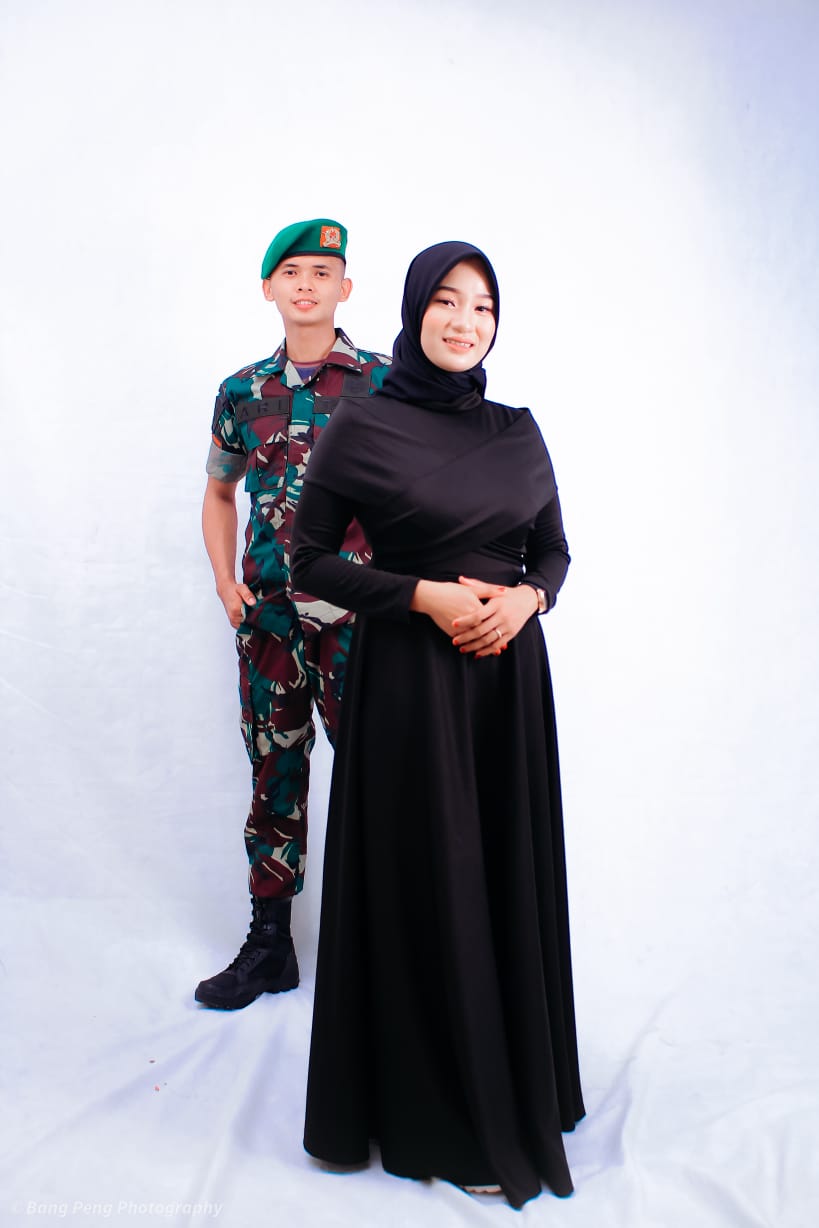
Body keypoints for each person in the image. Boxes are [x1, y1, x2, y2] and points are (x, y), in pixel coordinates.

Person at [291, 241, 585, 1208]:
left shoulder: (518, 430)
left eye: (483, 307)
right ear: (415, 310)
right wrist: (424, 596)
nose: (465, 322)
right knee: (430, 875)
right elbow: (308, 563)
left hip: (506, 687)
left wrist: (526, 601)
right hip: (411, 688)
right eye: (447, 302)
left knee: (497, 867)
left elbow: (553, 550)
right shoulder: (362, 424)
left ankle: (517, 1080)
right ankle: (431, 1108)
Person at [196, 219, 390, 1010]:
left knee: (381, 779)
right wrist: (225, 582)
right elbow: (218, 492)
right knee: (274, 776)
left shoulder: (384, 383)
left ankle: (388, 954)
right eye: (292, 272)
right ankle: (269, 946)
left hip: (359, 625)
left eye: (322, 272)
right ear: (268, 288)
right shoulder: (242, 391)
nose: (306, 284)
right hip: (269, 625)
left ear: (345, 288)